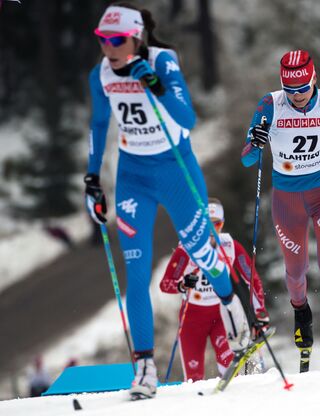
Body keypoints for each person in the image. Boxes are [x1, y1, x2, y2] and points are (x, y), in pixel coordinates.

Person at [85, 3, 250, 399]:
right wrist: (92, 178)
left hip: (175, 169)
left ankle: (233, 310)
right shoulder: (102, 74)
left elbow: (188, 118)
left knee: (200, 251)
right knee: (136, 272)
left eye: (117, 39)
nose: (109, 47)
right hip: (133, 177)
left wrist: (156, 86)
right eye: (103, 40)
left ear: (136, 37)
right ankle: (144, 369)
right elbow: (98, 124)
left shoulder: (163, 61)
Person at [241, 50, 320, 370]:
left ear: (314, 80)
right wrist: (254, 142)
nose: (296, 98)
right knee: (295, 271)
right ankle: (301, 310)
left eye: (302, 90)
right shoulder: (269, 106)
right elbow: (246, 159)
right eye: (290, 91)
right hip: (287, 199)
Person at [160, 198, 270, 381]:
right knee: (193, 379)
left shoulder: (229, 246)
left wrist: (260, 313)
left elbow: (252, 279)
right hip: (192, 320)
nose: (211, 230)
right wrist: (182, 284)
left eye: (216, 224)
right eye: (207, 225)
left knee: (230, 369)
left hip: (221, 315)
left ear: (222, 224)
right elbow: (165, 284)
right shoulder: (186, 249)